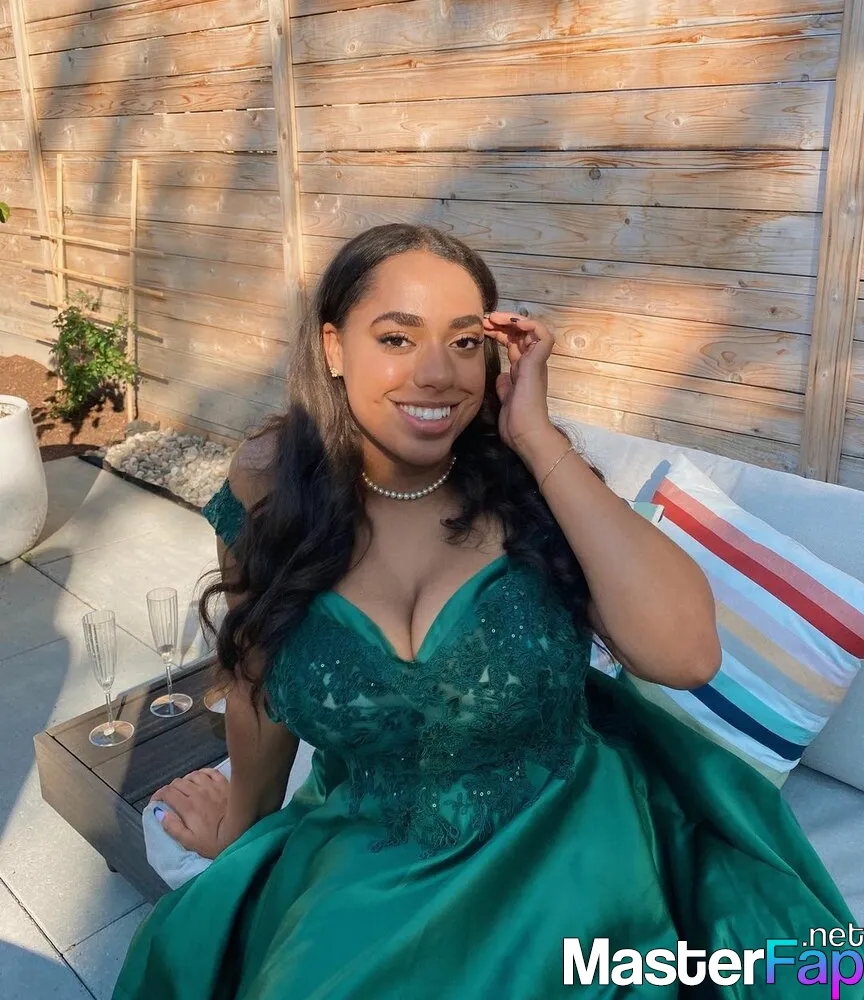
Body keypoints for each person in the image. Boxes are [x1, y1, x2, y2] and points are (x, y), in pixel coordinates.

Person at [113, 225, 862, 999]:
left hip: (569, 848)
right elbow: (256, 674)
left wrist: (536, 437)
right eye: (397, 338)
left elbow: (686, 655)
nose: (438, 374)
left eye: (465, 342)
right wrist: (243, 825)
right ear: (334, 347)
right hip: (370, 847)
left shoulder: (530, 486)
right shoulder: (269, 484)